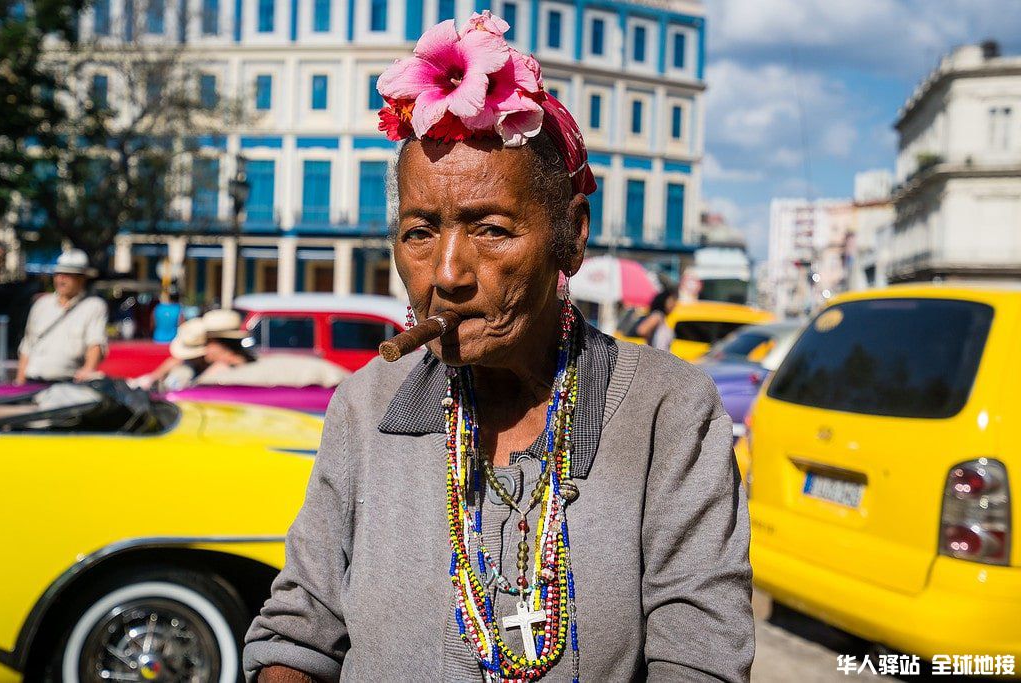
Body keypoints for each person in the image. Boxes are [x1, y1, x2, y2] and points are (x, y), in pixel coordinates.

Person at [245, 12, 753, 683]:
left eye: (490, 229)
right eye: (420, 232)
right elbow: (297, 633)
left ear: (570, 235)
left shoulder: (666, 411)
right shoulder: (366, 405)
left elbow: (701, 660)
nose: (448, 274)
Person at [15, 249, 108, 384]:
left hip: (65, 384)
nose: (61, 279)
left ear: (82, 278)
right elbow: (27, 346)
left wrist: (88, 370)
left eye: (68, 274)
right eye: (58, 274)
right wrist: (20, 381)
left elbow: (95, 343)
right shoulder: (41, 304)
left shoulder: (93, 306)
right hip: (32, 381)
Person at [636, 286, 679, 351]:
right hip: (658, 357)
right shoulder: (657, 315)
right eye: (672, 300)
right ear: (664, 300)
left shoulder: (662, 317)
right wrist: (650, 343)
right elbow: (642, 330)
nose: (674, 304)